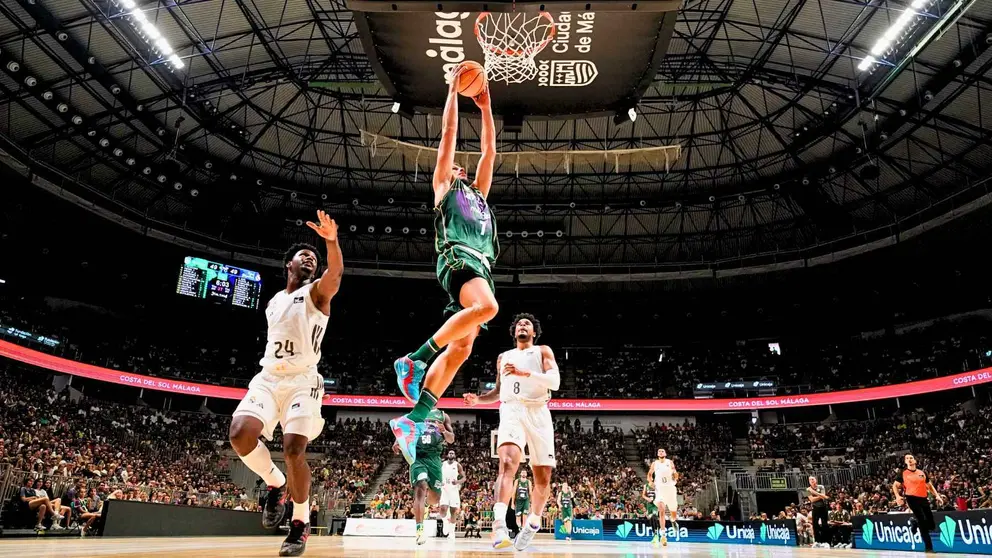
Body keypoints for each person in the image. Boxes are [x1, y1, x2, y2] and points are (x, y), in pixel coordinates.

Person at [391, 61, 499, 465]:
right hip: (457, 258)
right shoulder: (443, 186)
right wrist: (454, 91)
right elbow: (449, 135)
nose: (461, 167)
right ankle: (414, 358)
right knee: (489, 307)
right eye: (456, 166)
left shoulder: (479, 194)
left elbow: (490, 150)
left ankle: (414, 418)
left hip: (478, 266)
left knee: (463, 348)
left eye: (462, 168)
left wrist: (486, 106)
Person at [228, 210, 343, 557]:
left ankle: (300, 521)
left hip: (302, 380)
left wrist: (331, 241)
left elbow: (334, 273)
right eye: (302, 256)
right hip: (268, 377)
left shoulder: (318, 294)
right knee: (238, 433)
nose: (310, 258)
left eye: (314, 257)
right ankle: (276, 484)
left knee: (294, 448)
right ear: (288, 265)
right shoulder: (274, 301)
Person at [464, 314, 560, 550]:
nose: (522, 326)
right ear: (513, 332)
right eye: (518, 324)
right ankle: (499, 525)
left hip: (538, 411)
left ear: (534, 332)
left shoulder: (542, 351)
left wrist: (525, 374)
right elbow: (498, 391)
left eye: (527, 324)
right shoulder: (503, 357)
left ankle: (534, 522)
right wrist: (478, 400)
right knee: (507, 464)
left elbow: (555, 381)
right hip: (511, 409)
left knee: (543, 477)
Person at [393, 409, 455, 545]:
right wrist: (398, 441)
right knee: (421, 486)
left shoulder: (443, 415)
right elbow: (402, 430)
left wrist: (444, 431)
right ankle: (420, 530)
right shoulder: (415, 413)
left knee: (435, 499)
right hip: (418, 458)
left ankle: (426, 505)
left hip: (434, 459)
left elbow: (451, 439)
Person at [893, 454, 945, 553]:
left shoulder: (922, 472)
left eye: (911, 458)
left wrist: (937, 495)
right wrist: (897, 496)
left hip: (923, 498)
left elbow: (929, 486)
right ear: (905, 462)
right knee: (922, 520)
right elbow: (895, 486)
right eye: (907, 458)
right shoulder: (903, 473)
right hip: (911, 498)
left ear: (915, 460)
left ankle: (915, 522)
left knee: (931, 524)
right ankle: (928, 548)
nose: (909, 460)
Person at [647, 448, 679, 547]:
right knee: (661, 510)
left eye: (662, 451)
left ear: (665, 453)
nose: (660, 452)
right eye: (659, 451)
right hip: (660, 490)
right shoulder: (654, 463)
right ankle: (663, 535)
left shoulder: (670, 462)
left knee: (673, 514)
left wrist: (675, 476)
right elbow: (649, 474)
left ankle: (673, 521)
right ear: (657, 454)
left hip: (670, 489)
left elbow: (675, 473)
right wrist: (650, 482)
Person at [439, 449, 465, 538]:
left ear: (454, 455)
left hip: (453, 489)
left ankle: (452, 533)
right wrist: (439, 481)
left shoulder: (457, 465)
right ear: (447, 455)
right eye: (450, 453)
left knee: (453, 511)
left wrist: (457, 481)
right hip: (444, 488)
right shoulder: (443, 464)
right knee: (443, 508)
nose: (451, 454)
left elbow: (464, 478)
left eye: (453, 453)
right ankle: (445, 521)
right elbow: (437, 474)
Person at [807, 476, 830, 549]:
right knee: (815, 525)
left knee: (824, 524)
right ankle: (817, 541)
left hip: (823, 507)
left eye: (813, 479)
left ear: (816, 480)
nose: (812, 481)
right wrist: (821, 495)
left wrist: (814, 492)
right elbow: (812, 500)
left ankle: (826, 542)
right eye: (810, 480)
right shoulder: (807, 489)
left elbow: (823, 497)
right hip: (815, 508)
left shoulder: (821, 486)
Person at [641, 477, 659, 541]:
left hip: (655, 504)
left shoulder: (657, 485)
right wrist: (647, 498)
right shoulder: (646, 485)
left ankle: (657, 534)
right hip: (649, 505)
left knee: (654, 516)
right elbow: (643, 495)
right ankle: (655, 535)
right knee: (651, 519)